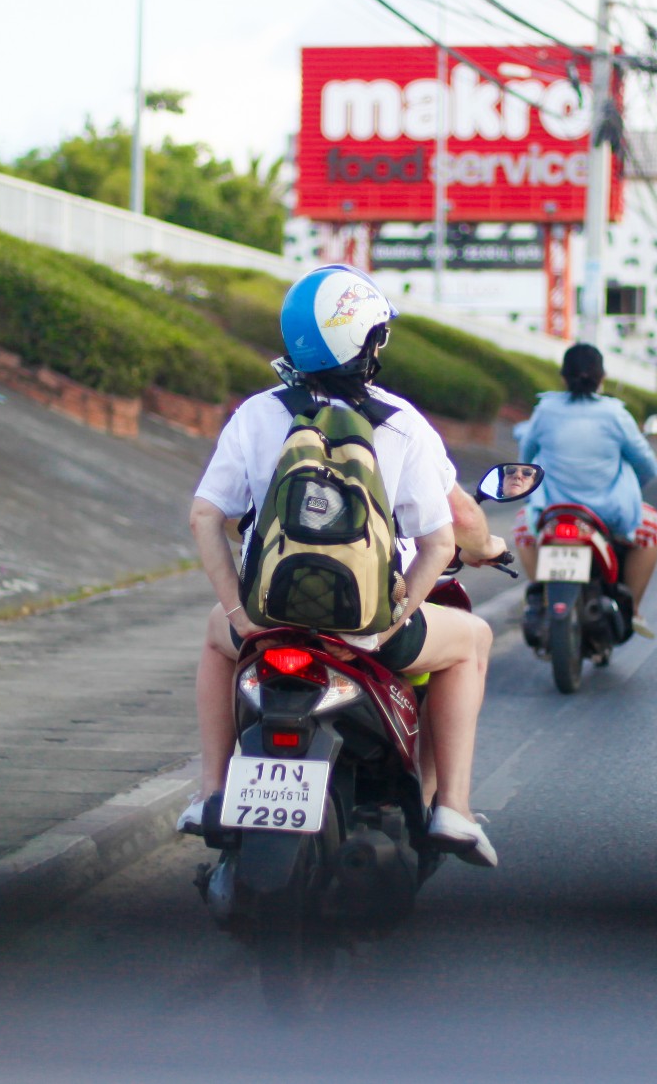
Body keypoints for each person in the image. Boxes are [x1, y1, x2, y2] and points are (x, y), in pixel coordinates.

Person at [183, 265, 506, 866]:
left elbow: (206, 516)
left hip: (269, 618)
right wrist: (388, 623)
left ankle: (212, 791)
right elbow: (439, 544)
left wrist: (239, 613)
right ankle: (453, 808)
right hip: (368, 628)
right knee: (473, 641)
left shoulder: (259, 414)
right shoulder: (403, 424)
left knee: (213, 640)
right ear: (366, 342)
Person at [511, 343, 657, 633]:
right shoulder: (616, 414)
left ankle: (542, 597)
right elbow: (645, 464)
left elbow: (525, 461)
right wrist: (642, 479)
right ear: (602, 377)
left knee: (522, 526)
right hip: (607, 516)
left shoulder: (545, 411)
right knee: (653, 529)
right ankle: (631, 610)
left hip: (551, 513)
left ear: (563, 377)